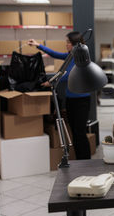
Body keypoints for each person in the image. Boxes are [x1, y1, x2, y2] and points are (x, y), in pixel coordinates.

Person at [28, 32, 91, 160]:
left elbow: (68, 74)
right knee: (74, 131)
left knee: (80, 133)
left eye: (68, 42)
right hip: (71, 100)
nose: (65, 44)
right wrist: (38, 45)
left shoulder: (81, 56)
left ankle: (85, 161)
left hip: (81, 101)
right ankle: (80, 160)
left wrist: (50, 82)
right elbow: (55, 54)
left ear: (74, 44)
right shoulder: (70, 55)